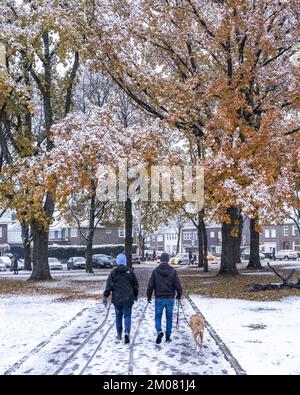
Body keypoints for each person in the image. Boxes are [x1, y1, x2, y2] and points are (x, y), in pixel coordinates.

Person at [103, 253, 139, 344]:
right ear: (125, 261)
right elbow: (135, 285)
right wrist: (135, 295)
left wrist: (105, 296)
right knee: (127, 316)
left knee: (118, 317)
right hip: (128, 299)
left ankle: (119, 334)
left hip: (117, 299)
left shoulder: (113, 273)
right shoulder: (130, 272)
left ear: (117, 262)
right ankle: (127, 332)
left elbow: (109, 286)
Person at [147, 252, 182, 344]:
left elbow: (151, 285)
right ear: (168, 260)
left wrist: (149, 295)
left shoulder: (155, 271)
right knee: (169, 317)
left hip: (159, 297)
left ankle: (159, 331)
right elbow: (177, 284)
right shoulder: (173, 271)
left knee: (158, 316)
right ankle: (167, 336)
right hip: (170, 297)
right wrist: (179, 294)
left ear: (160, 259)